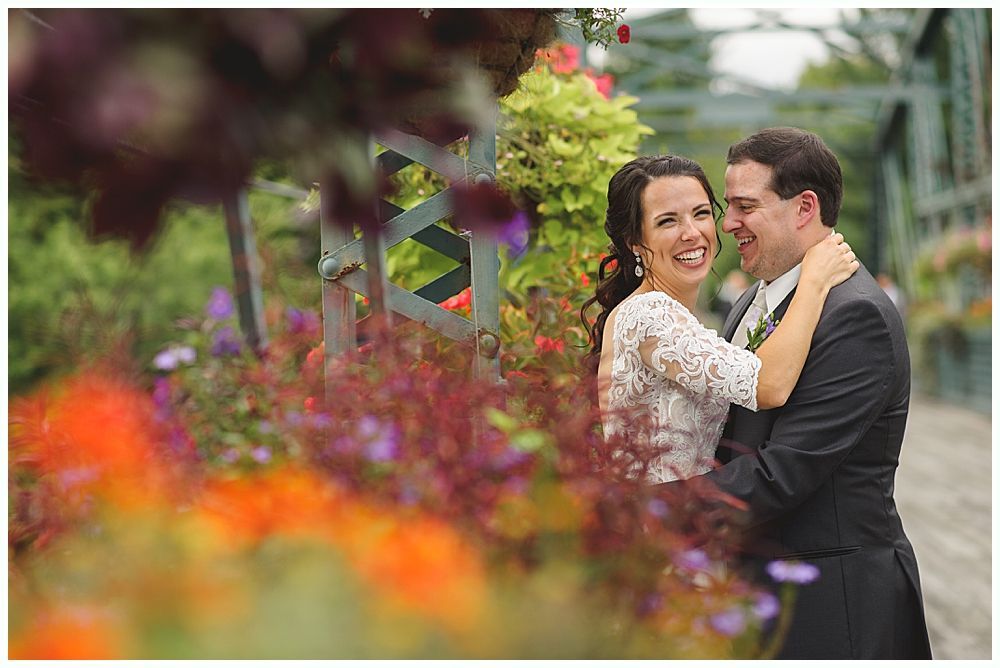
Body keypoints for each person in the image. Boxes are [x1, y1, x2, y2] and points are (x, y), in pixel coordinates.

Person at [704, 127, 931, 659]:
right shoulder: (750, 302)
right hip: (760, 586)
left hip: (833, 600)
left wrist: (653, 508)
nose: (728, 223)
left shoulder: (856, 315)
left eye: (744, 206)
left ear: (804, 207)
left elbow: (781, 472)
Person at [581, 154, 857, 485]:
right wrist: (814, 280)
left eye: (701, 214)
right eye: (668, 221)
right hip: (658, 523)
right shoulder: (649, 314)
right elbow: (768, 386)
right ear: (635, 243)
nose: (691, 233)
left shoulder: (672, 315)